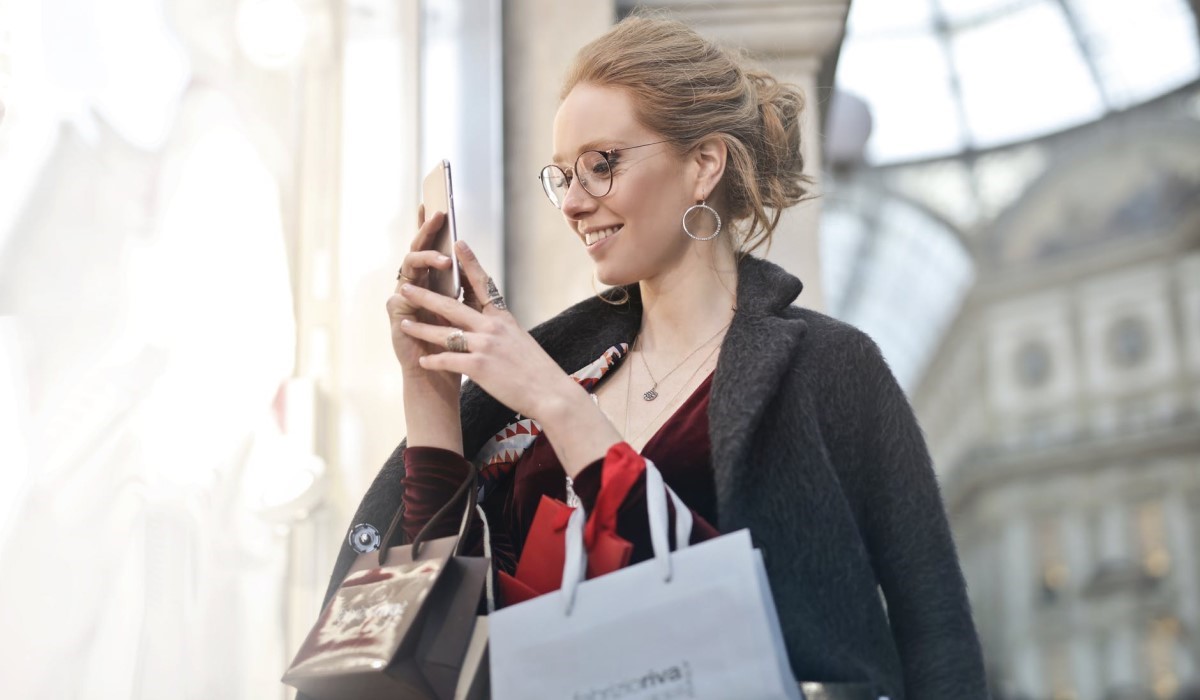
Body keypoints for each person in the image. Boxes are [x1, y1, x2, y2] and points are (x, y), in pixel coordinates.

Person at [315, 14, 987, 699]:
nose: (574, 203)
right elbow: (438, 622)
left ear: (704, 165)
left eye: (601, 165)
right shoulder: (559, 371)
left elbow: (937, 638)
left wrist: (556, 404)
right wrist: (428, 386)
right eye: (562, 176)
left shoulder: (832, 368)